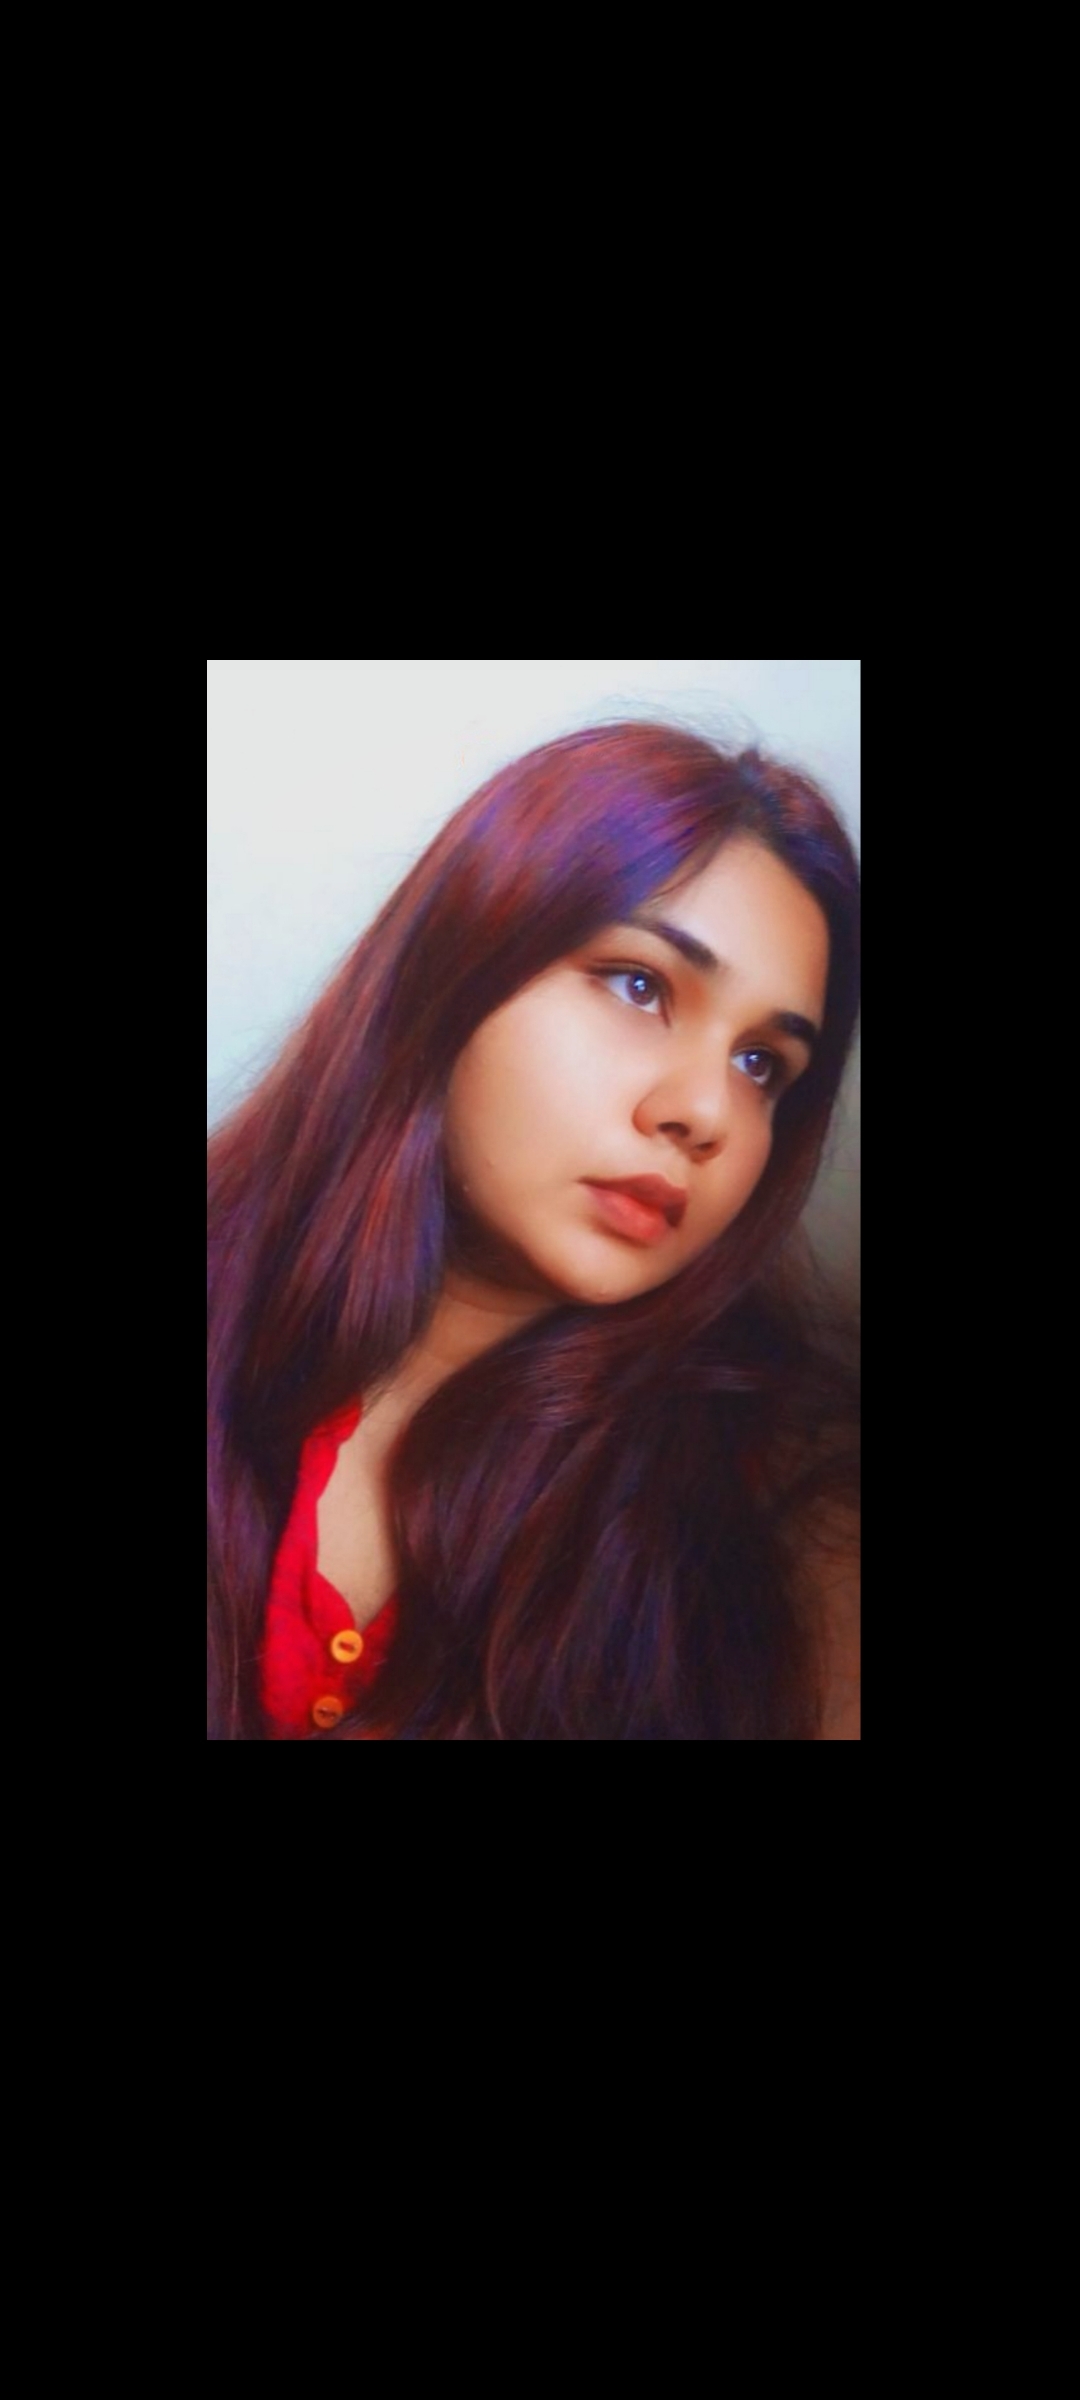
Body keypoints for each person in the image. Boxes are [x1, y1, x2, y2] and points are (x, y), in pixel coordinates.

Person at [208, 720, 860, 1740]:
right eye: (641, 985)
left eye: (761, 1066)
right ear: (459, 964)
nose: (707, 1113)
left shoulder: (776, 1523)